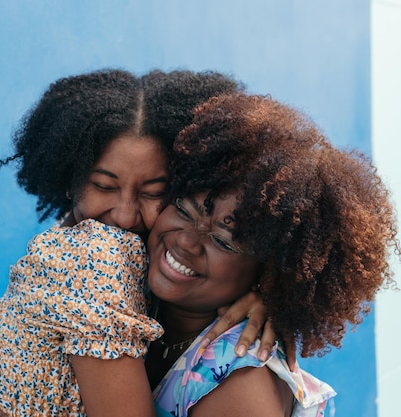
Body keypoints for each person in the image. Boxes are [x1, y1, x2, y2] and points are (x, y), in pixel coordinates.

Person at [0, 70, 277, 417]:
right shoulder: (96, 259)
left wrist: (273, 294)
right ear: (71, 179)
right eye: (104, 186)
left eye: (153, 193)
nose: (126, 216)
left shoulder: (113, 257)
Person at [145, 92, 399, 416]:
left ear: (268, 274)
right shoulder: (129, 281)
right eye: (184, 208)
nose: (186, 241)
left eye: (224, 241)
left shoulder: (239, 381)